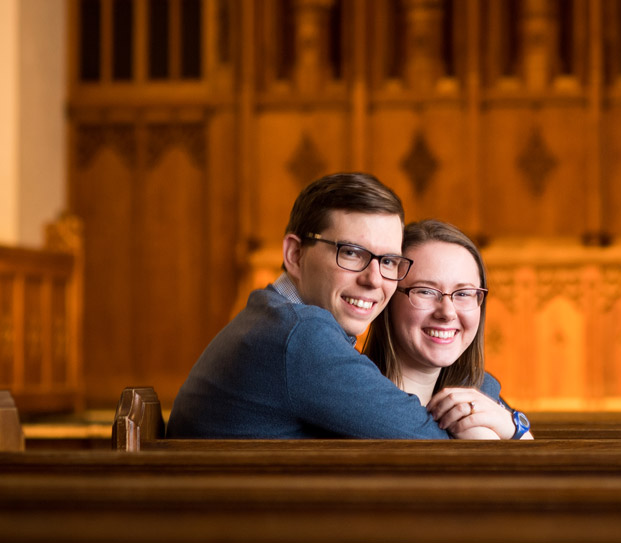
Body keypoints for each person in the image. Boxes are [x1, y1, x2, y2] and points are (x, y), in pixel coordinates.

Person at [167, 172, 456, 438]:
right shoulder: (300, 335)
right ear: (295, 254)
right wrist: (487, 405)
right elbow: (427, 441)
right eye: (352, 253)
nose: (374, 280)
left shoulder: (275, 317)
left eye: (389, 261)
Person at [363, 219, 533, 440]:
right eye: (425, 291)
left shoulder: (481, 392)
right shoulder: (353, 400)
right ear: (388, 298)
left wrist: (514, 429)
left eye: (463, 294)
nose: (448, 312)